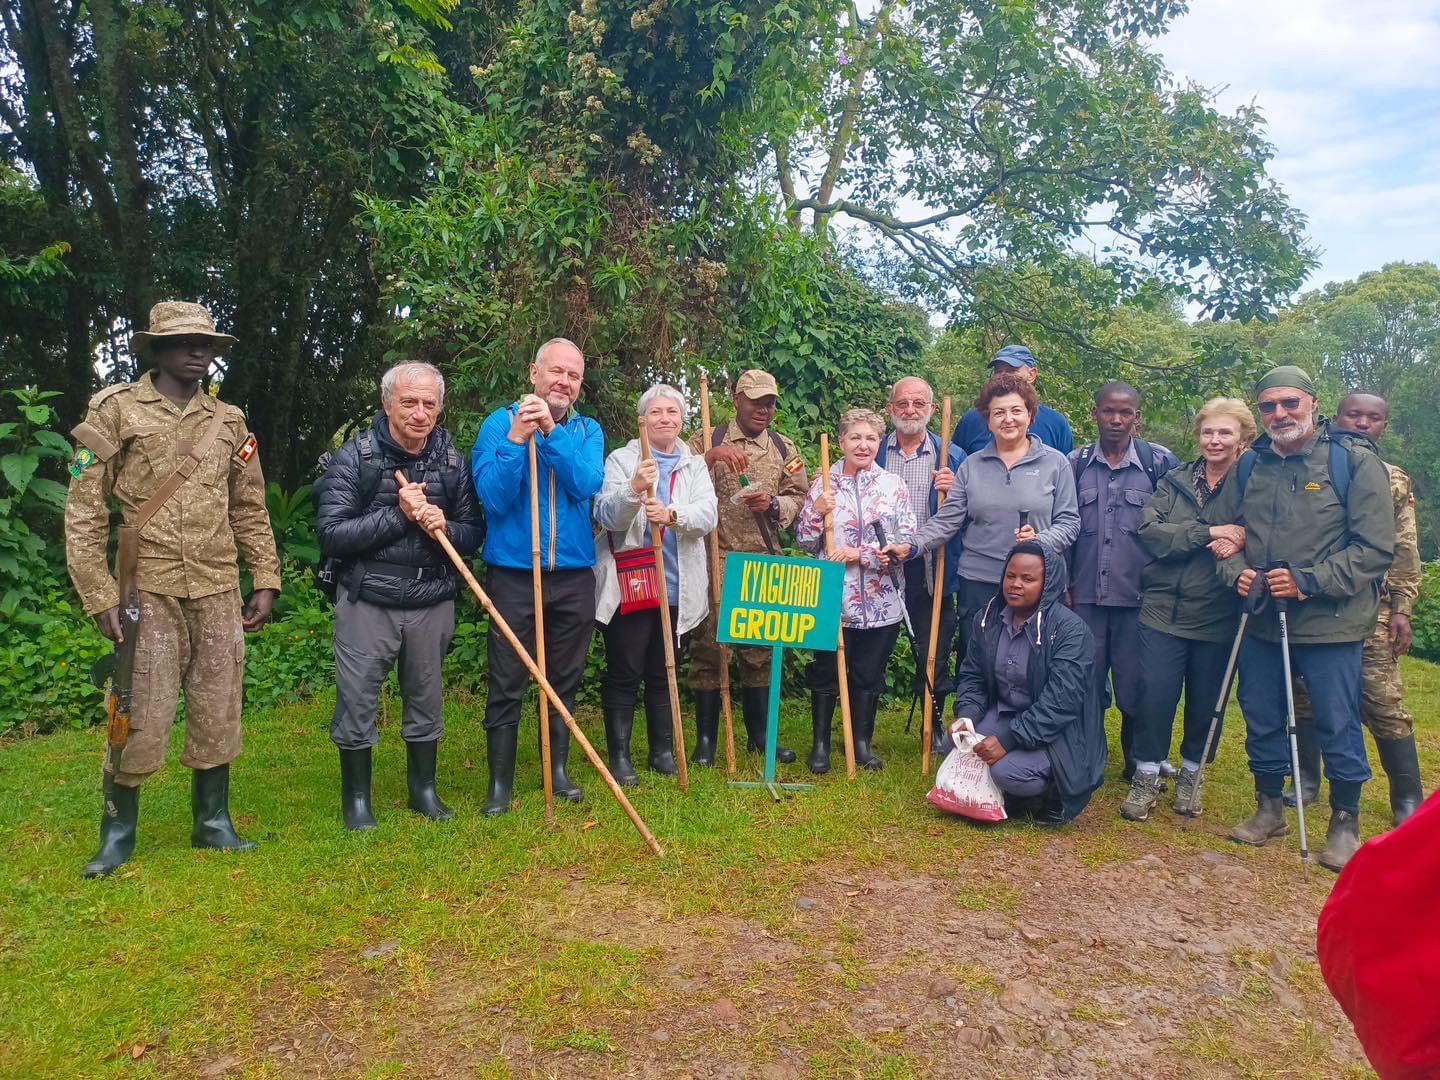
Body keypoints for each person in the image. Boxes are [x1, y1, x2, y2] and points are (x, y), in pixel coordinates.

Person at [64, 301, 281, 877]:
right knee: (136, 707)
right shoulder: (114, 411)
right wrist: (99, 594)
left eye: (206, 344)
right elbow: (85, 511)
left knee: (218, 706)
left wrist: (264, 576)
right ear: (156, 348)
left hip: (215, 585)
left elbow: (249, 507)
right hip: (146, 588)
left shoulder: (229, 421)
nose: (197, 352)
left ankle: (212, 822)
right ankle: (118, 830)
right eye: (183, 342)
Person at [1218, 366, 1394, 872]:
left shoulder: (1353, 464)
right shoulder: (1249, 467)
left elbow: (1375, 549)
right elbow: (1227, 534)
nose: (1280, 414)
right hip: (1262, 620)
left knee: (1338, 721)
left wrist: (1309, 580)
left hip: (1331, 621)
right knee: (1261, 713)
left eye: (1290, 403)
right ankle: (1269, 806)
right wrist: (1237, 574)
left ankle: (1345, 822)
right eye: (1269, 406)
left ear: (1313, 404)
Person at [314, 361, 484, 830]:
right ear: (387, 403)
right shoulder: (357, 457)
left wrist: (444, 524)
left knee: (427, 695)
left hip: (432, 597)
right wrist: (399, 515)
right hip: (368, 596)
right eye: (409, 402)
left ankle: (423, 792)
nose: (420, 413)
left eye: (430, 403)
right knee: (358, 698)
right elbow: (331, 534)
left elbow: (473, 534)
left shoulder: (451, 459)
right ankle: (357, 802)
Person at [472, 338, 605, 814]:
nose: (563, 381)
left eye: (572, 375)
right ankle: (499, 785)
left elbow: (586, 484)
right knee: (508, 677)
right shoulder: (496, 423)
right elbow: (493, 498)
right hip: (513, 572)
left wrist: (550, 434)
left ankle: (559, 769)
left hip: (572, 575)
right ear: (534, 372)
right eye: (555, 371)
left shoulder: (587, 430)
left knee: (564, 678)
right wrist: (515, 440)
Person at [1287, 392, 1424, 827]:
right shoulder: (1311, 465)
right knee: (1305, 692)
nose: (1362, 423)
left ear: (1384, 425)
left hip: (1373, 605)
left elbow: (1404, 548)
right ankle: (1307, 777)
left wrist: (1402, 606)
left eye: (1373, 418)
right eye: (1354, 414)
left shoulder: (1393, 478)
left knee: (1381, 697)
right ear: (1335, 415)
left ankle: (1406, 794)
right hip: (1313, 599)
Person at [885, 372, 1080, 665]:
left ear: (1030, 415)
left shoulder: (1056, 463)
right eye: (998, 413)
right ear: (988, 421)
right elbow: (948, 519)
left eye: (1016, 410)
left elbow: (1070, 522)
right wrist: (912, 546)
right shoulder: (971, 465)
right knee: (979, 662)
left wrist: (1040, 540)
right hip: (979, 581)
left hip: (1035, 580)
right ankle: (974, 713)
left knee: (1032, 663)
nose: (1008, 419)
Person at [1120, 398, 1254, 821]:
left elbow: (1262, 533)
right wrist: (1210, 532)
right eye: (1208, 432)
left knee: (1206, 699)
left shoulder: (1253, 484)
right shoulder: (1175, 480)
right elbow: (1150, 533)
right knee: (1154, 693)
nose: (1215, 440)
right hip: (1161, 607)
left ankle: (1193, 772)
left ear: (1242, 439)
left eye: (1225, 433)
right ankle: (1145, 774)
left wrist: (1242, 538)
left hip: (1219, 609)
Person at [593, 384, 718, 783]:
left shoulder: (693, 464)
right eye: (656, 412)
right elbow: (608, 515)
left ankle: (662, 751)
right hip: (632, 581)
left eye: (673, 412)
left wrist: (672, 514)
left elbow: (708, 515)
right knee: (625, 668)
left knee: (664, 669)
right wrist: (633, 488)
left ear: (682, 420)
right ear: (642, 419)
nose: (665, 418)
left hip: (676, 582)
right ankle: (621, 756)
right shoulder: (622, 459)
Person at [688, 369, 809, 763]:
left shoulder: (782, 447)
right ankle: (706, 742)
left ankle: (760, 736)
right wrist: (710, 456)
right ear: (736, 399)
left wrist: (774, 505)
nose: (764, 408)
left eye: (770, 402)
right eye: (756, 400)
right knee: (710, 646)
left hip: (761, 560)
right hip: (716, 557)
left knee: (760, 649)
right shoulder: (706, 438)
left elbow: (800, 497)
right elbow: (678, 480)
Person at [1066, 382, 1179, 780]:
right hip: (1084, 599)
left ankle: (1138, 760)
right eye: (1108, 411)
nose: (1116, 419)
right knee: (1086, 683)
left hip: (1139, 598)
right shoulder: (1073, 463)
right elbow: (1062, 530)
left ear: (1137, 417)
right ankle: (1089, 758)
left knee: (1138, 685)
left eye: (1125, 412)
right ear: (1094, 413)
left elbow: (1175, 530)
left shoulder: (1160, 463)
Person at [796, 408, 918, 772]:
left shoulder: (892, 485)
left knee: (868, 674)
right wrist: (817, 511)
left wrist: (859, 553)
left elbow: (904, 542)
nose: (863, 445)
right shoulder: (823, 483)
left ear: (879, 443)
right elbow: (804, 542)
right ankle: (820, 744)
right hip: (833, 598)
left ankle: (861, 742)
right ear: (841, 441)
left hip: (881, 600)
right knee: (827, 672)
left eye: (870, 439)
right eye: (855, 438)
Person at [951, 542, 1105, 823]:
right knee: (964, 751)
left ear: (1048, 584)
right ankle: (1010, 786)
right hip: (1008, 711)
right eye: (1011, 576)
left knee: (1005, 771)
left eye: (1028, 579)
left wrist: (1008, 740)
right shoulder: (987, 618)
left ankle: (1048, 792)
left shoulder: (1070, 630)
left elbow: (1061, 703)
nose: (1015, 585)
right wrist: (967, 716)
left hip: (1061, 728)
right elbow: (972, 675)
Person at [875, 377, 966, 752]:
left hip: (931, 564)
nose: (910, 410)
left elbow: (971, 510)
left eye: (918, 403)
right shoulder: (875, 451)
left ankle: (933, 723)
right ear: (890, 409)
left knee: (934, 646)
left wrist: (958, 484)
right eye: (902, 403)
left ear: (931, 409)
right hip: (878, 564)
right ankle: (859, 725)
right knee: (873, 644)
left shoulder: (952, 456)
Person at [951, 345, 1075, 456]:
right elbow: (958, 466)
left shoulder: (1056, 424)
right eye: (998, 371)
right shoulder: (972, 420)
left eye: (1011, 370)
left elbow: (1065, 475)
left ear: (1031, 375)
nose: (1004, 376)